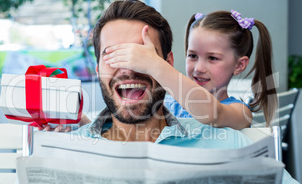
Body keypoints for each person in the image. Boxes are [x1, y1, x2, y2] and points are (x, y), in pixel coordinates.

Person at [0, 0, 302, 184]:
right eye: (113, 55)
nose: (130, 66)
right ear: (97, 67)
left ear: (167, 64)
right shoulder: (54, 156)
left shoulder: (224, 140)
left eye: (144, 55)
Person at [103, 9, 277, 130]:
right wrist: (82, 122)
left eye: (213, 58)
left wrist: (155, 65)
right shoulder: (167, 105)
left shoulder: (239, 112)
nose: (199, 68)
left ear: (239, 65)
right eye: (193, 56)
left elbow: (210, 114)